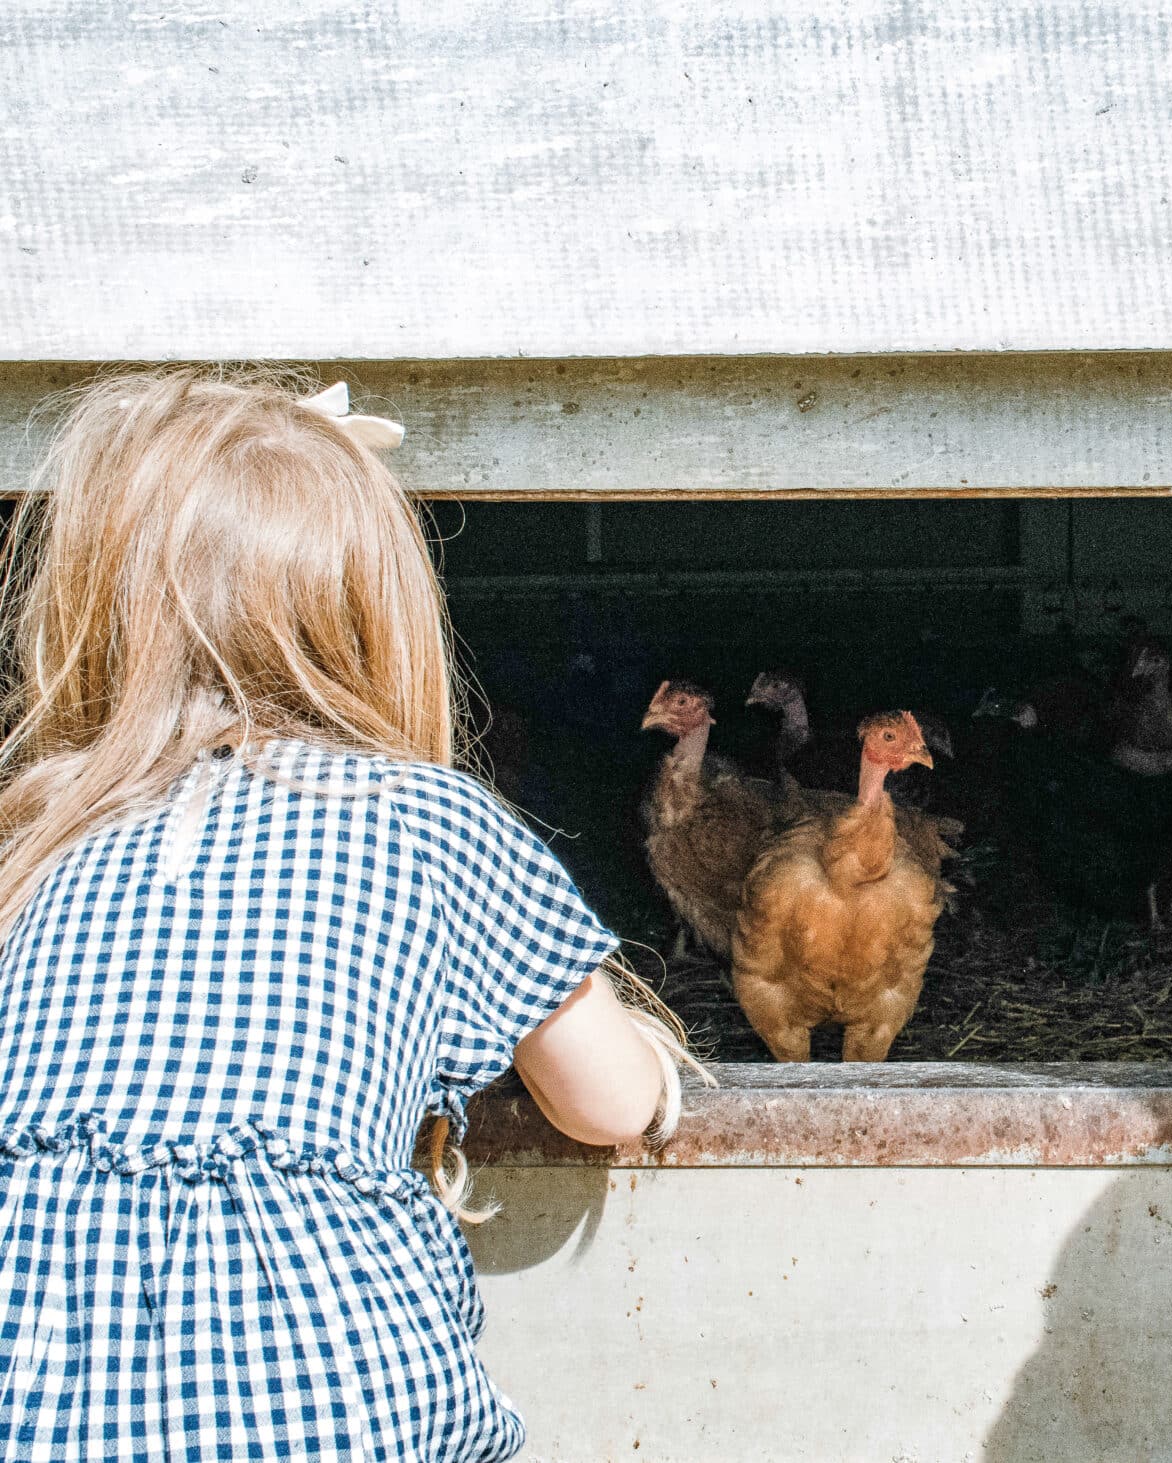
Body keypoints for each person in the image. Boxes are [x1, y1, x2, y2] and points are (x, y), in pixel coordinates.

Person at [0, 371, 699, 1459]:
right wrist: (652, 1053)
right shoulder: (430, 819)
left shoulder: (32, 833)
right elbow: (609, 1100)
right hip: (329, 1406)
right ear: (377, 611)